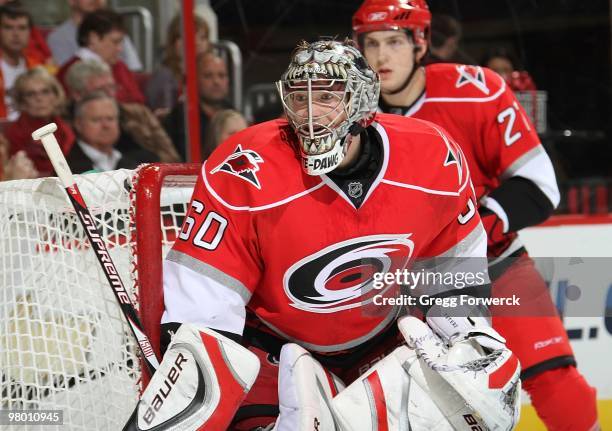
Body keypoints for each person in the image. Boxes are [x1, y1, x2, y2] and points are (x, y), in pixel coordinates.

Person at [125, 39, 521, 430]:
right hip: (273, 349)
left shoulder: (431, 154)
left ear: (362, 103)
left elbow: (452, 273)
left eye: (328, 97)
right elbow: (205, 310)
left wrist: (467, 339)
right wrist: (192, 389)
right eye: (299, 98)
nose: (311, 114)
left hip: (383, 341)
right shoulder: (244, 168)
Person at [351, 1, 599, 430]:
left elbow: (539, 185)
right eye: (370, 43)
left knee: (557, 381)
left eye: (393, 41)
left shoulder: (475, 89)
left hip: (497, 264)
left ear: (420, 42)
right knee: (427, 407)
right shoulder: (353, 112)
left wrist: (472, 231)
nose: (380, 57)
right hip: (408, 288)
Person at [64, 59, 180, 162]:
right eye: (101, 90)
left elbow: (170, 155)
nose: (109, 94)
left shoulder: (138, 113)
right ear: (77, 94)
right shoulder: (64, 126)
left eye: (112, 87)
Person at [57, 9, 145, 104]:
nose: (120, 49)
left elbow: (139, 102)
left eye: (121, 42)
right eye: (115, 42)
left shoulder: (120, 66)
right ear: (93, 39)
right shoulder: (68, 73)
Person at [6, 67, 74, 177]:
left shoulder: (66, 128)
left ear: (56, 96)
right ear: (21, 101)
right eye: (31, 94)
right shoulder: (13, 133)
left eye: (45, 92)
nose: (39, 98)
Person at [164, 51, 232, 160]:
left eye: (221, 75)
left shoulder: (233, 112)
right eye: (208, 76)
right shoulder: (182, 117)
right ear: (195, 80)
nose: (216, 81)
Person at [67, 91, 156, 173]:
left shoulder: (139, 162)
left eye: (110, 119)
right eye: (96, 120)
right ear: (78, 124)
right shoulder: (66, 167)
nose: (106, 125)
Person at [145, 13, 210, 116]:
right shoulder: (165, 75)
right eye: (191, 37)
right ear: (175, 42)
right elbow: (164, 115)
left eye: (203, 38)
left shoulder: (209, 73)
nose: (198, 43)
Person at [47, 0, 142, 71]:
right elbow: (69, 79)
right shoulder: (57, 38)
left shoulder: (116, 30)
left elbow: (134, 70)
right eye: (115, 42)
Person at [0, 5, 45, 120]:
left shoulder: (37, 66)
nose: (16, 34)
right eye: (8, 27)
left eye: (22, 28)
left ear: (30, 32)